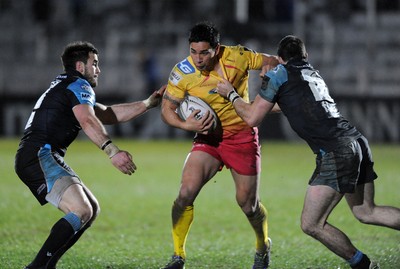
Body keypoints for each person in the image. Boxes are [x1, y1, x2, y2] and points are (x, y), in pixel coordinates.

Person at [216, 35, 400, 269]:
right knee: (367, 211)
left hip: (336, 150)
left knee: (312, 224)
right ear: (305, 56)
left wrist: (232, 94)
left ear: (281, 59)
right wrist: (254, 99)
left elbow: (252, 118)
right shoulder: (312, 73)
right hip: (357, 141)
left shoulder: (279, 74)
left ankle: (364, 265)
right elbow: (282, 105)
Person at [14, 41, 165, 269]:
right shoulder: (79, 85)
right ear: (80, 66)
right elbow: (88, 120)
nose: (98, 69)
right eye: (95, 64)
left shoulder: (67, 85)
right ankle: (37, 267)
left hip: (37, 155)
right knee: (81, 209)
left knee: (91, 209)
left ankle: (47, 265)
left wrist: (147, 104)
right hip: (39, 155)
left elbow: (106, 113)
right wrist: (112, 151)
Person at [159, 21, 279, 269]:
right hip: (208, 139)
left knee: (248, 205)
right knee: (184, 194)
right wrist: (185, 125)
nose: (198, 58)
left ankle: (262, 245)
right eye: (193, 51)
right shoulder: (182, 72)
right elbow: (166, 110)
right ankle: (178, 255)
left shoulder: (238, 56)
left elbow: (273, 60)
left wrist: (270, 77)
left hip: (242, 136)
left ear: (217, 48)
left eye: (204, 52)